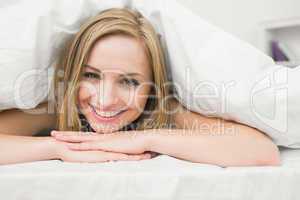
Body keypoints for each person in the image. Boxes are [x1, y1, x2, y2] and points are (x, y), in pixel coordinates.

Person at [0, 8, 280, 166]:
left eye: (130, 81)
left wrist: (142, 139)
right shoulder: (57, 109)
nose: (106, 100)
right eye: (91, 76)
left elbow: (261, 151)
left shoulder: (163, 110)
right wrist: (58, 148)